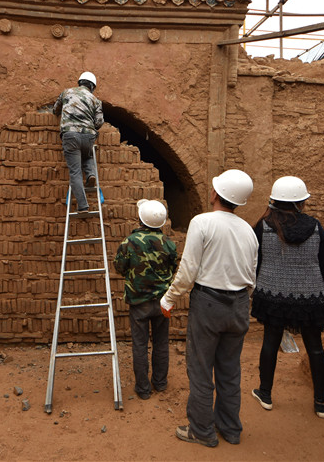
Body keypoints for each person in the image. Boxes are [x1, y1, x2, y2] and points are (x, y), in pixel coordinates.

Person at [159, 169, 258, 448]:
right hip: (239, 304)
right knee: (229, 369)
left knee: (201, 369)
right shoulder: (248, 231)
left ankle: (202, 431)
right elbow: (252, 274)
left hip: (209, 303)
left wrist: (169, 299)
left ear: (215, 194)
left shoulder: (202, 223)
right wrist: (240, 299)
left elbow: (188, 269)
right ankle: (231, 428)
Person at [249, 176, 324, 419]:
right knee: (315, 348)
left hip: (272, 296)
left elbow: (255, 261)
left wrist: (255, 286)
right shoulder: (316, 226)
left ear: (275, 200)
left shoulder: (264, 225)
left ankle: (265, 393)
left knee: (269, 343)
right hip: (310, 299)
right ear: (300, 203)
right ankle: (321, 402)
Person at [113, 199, 178, 400]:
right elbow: (174, 268)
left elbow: (119, 268)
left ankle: (143, 389)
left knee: (140, 345)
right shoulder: (169, 243)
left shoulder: (129, 242)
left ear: (141, 219)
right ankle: (160, 383)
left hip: (138, 302)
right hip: (162, 303)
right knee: (161, 343)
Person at [53, 71, 104, 212]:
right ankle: (90, 174)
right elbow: (99, 122)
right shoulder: (95, 100)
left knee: (75, 172)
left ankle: (83, 206)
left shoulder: (66, 92)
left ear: (80, 82)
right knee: (87, 155)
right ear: (92, 86)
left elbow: (55, 109)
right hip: (88, 136)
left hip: (70, 136)